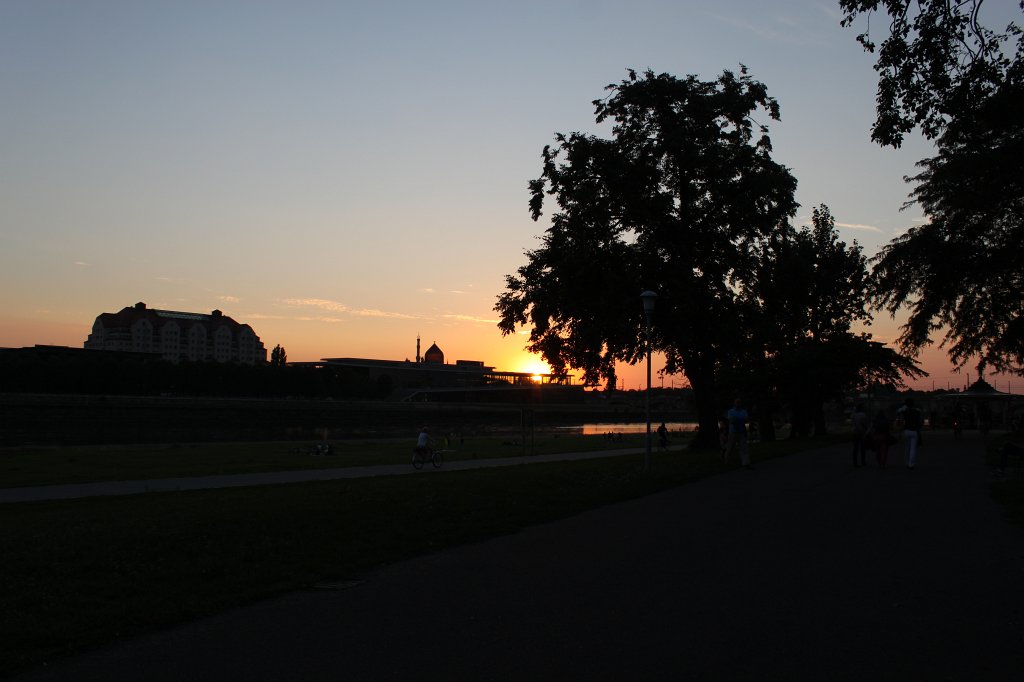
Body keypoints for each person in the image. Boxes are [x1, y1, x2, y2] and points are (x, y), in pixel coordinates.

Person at [725, 398, 752, 469]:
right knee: (730, 448)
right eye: (737, 402)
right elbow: (731, 421)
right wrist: (740, 420)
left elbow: (746, 420)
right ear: (734, 403)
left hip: (741, 432)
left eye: (739, 402)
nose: (738, 404)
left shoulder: (743, 411)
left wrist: (737, 420)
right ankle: (727, 462)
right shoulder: (730, 411)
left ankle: (746, 463)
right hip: (733, 433)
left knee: (744, 448)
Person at [898, 398, 923, 469]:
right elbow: (920, 421)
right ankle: (911, 464)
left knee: (907, 448)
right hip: (914, 431)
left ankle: (907, 462)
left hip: (906, 430)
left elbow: (899, 415)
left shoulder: (904, 411)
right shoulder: (917, 411)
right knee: (913, 448)